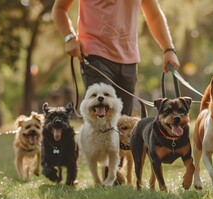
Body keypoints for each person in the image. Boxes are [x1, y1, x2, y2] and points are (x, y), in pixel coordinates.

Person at [52, 0, 181, 116]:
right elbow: (59, 8)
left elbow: (154, 15)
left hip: (129, 59)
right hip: (95, 55)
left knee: (123, 124)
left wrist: (169, 49)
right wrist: (69, 37)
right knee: (102, 120)